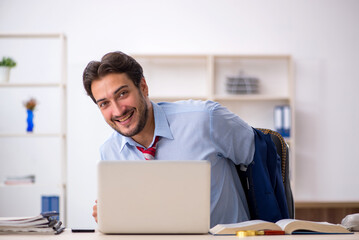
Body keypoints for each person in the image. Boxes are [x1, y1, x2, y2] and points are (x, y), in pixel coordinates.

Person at [82, 51, 255, 228]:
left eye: (122, 94)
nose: (118, 111)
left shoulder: (206, 119)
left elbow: (260, 160)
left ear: (143, 87)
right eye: (104, 103)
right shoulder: (110, 152)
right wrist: (111, 216)